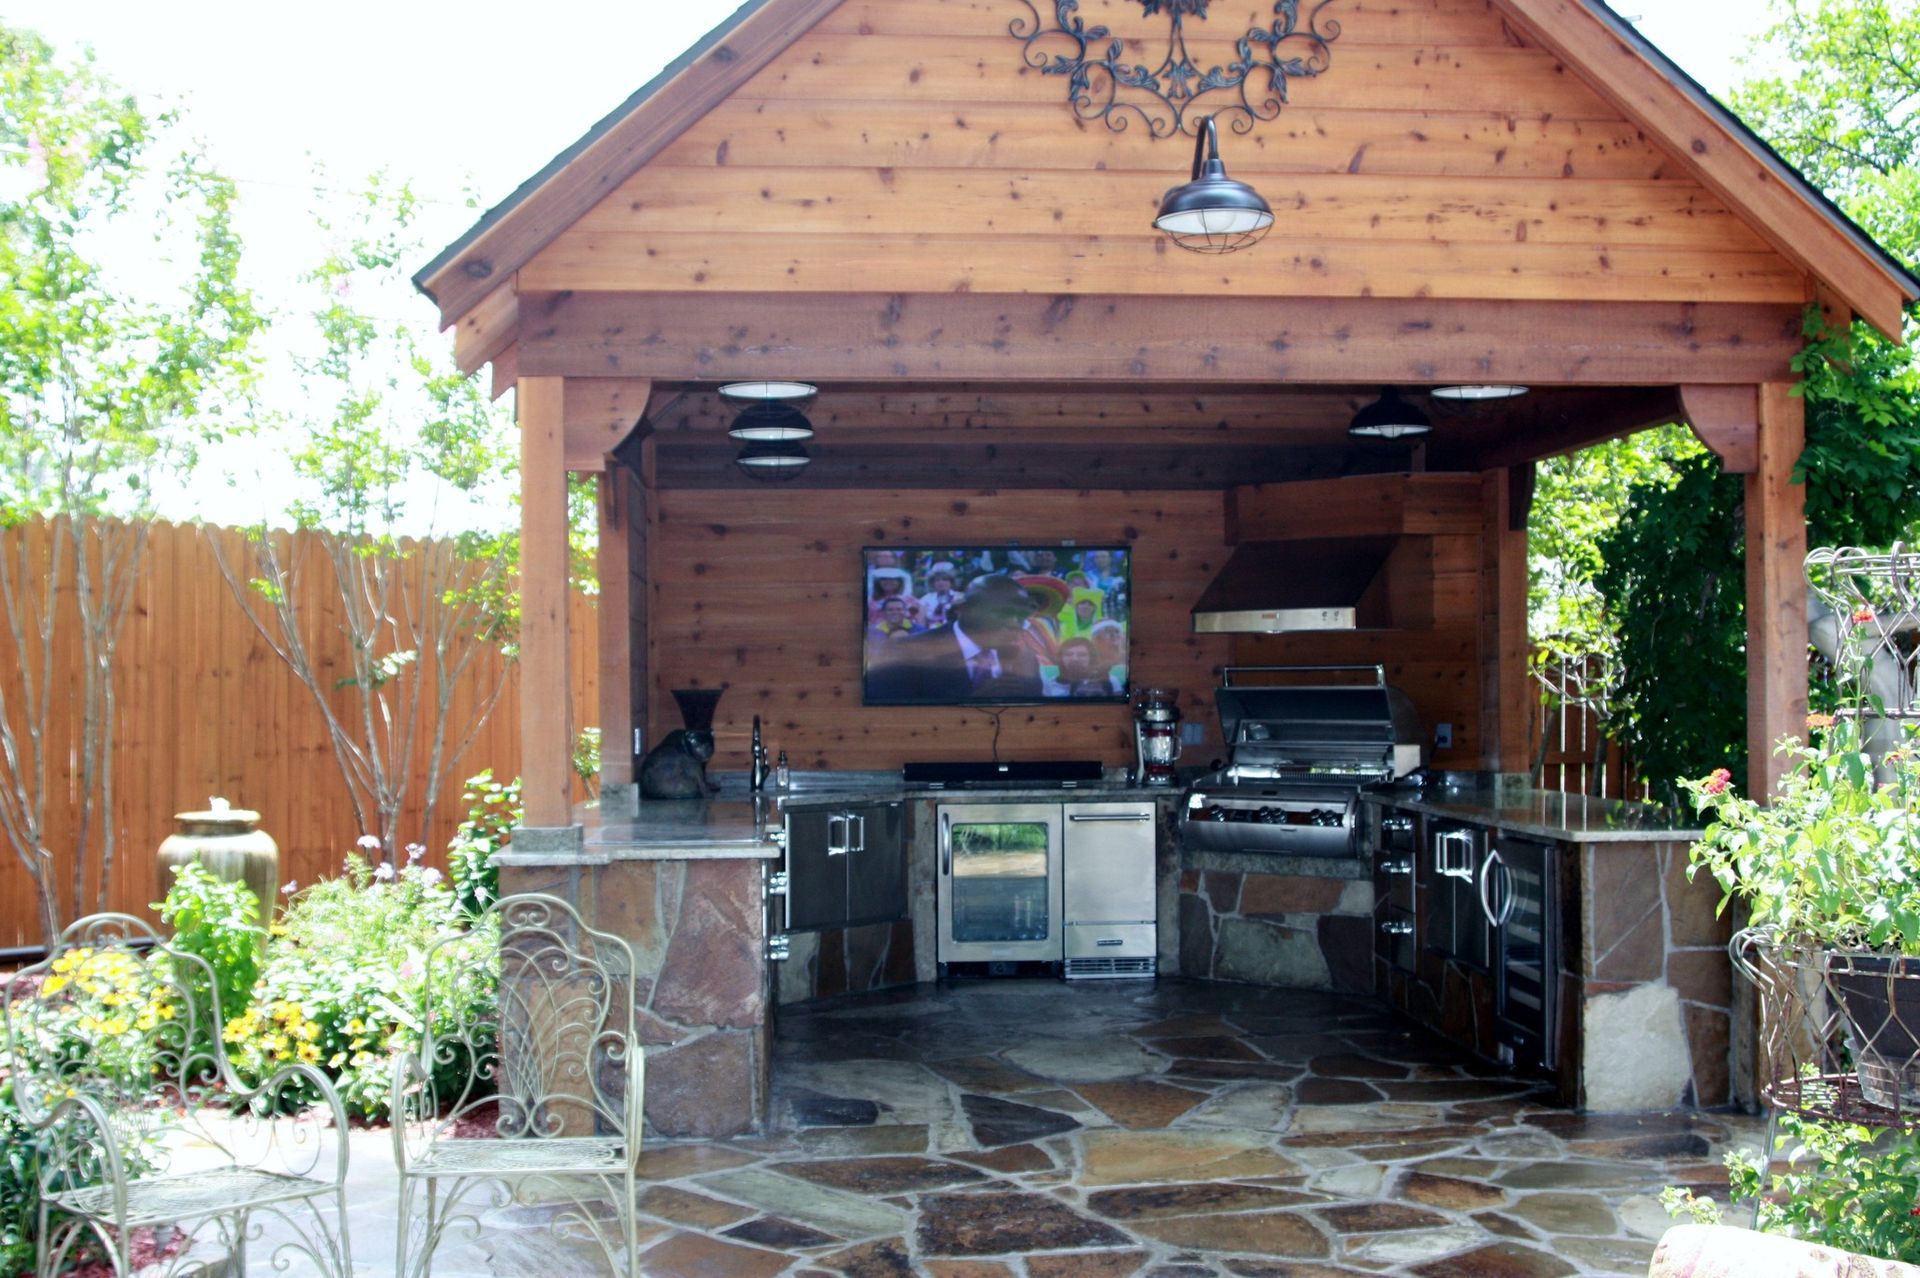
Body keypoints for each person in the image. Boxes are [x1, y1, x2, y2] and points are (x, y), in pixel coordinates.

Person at [865, 575, 1043, 702]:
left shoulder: (1025, 659)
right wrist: (969, 702)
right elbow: (883, 721)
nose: (1015, 625)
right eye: (1002, 613)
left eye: (1021, 616)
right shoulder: (904, 652)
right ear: (964, 610)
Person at [865, 595, 921, 659]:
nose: (895, 612)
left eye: (899, 609)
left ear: (905, 611)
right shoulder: (873, 632)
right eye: (890, 610)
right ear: (883, 612)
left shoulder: (918, 630)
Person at [918, 562, 965, 629]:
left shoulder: (960, 597)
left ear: (951, 582)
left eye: (945, 579)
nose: (941, 583)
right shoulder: (926, 599)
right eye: (937, 580)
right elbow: (921, 621)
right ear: (933, 583)